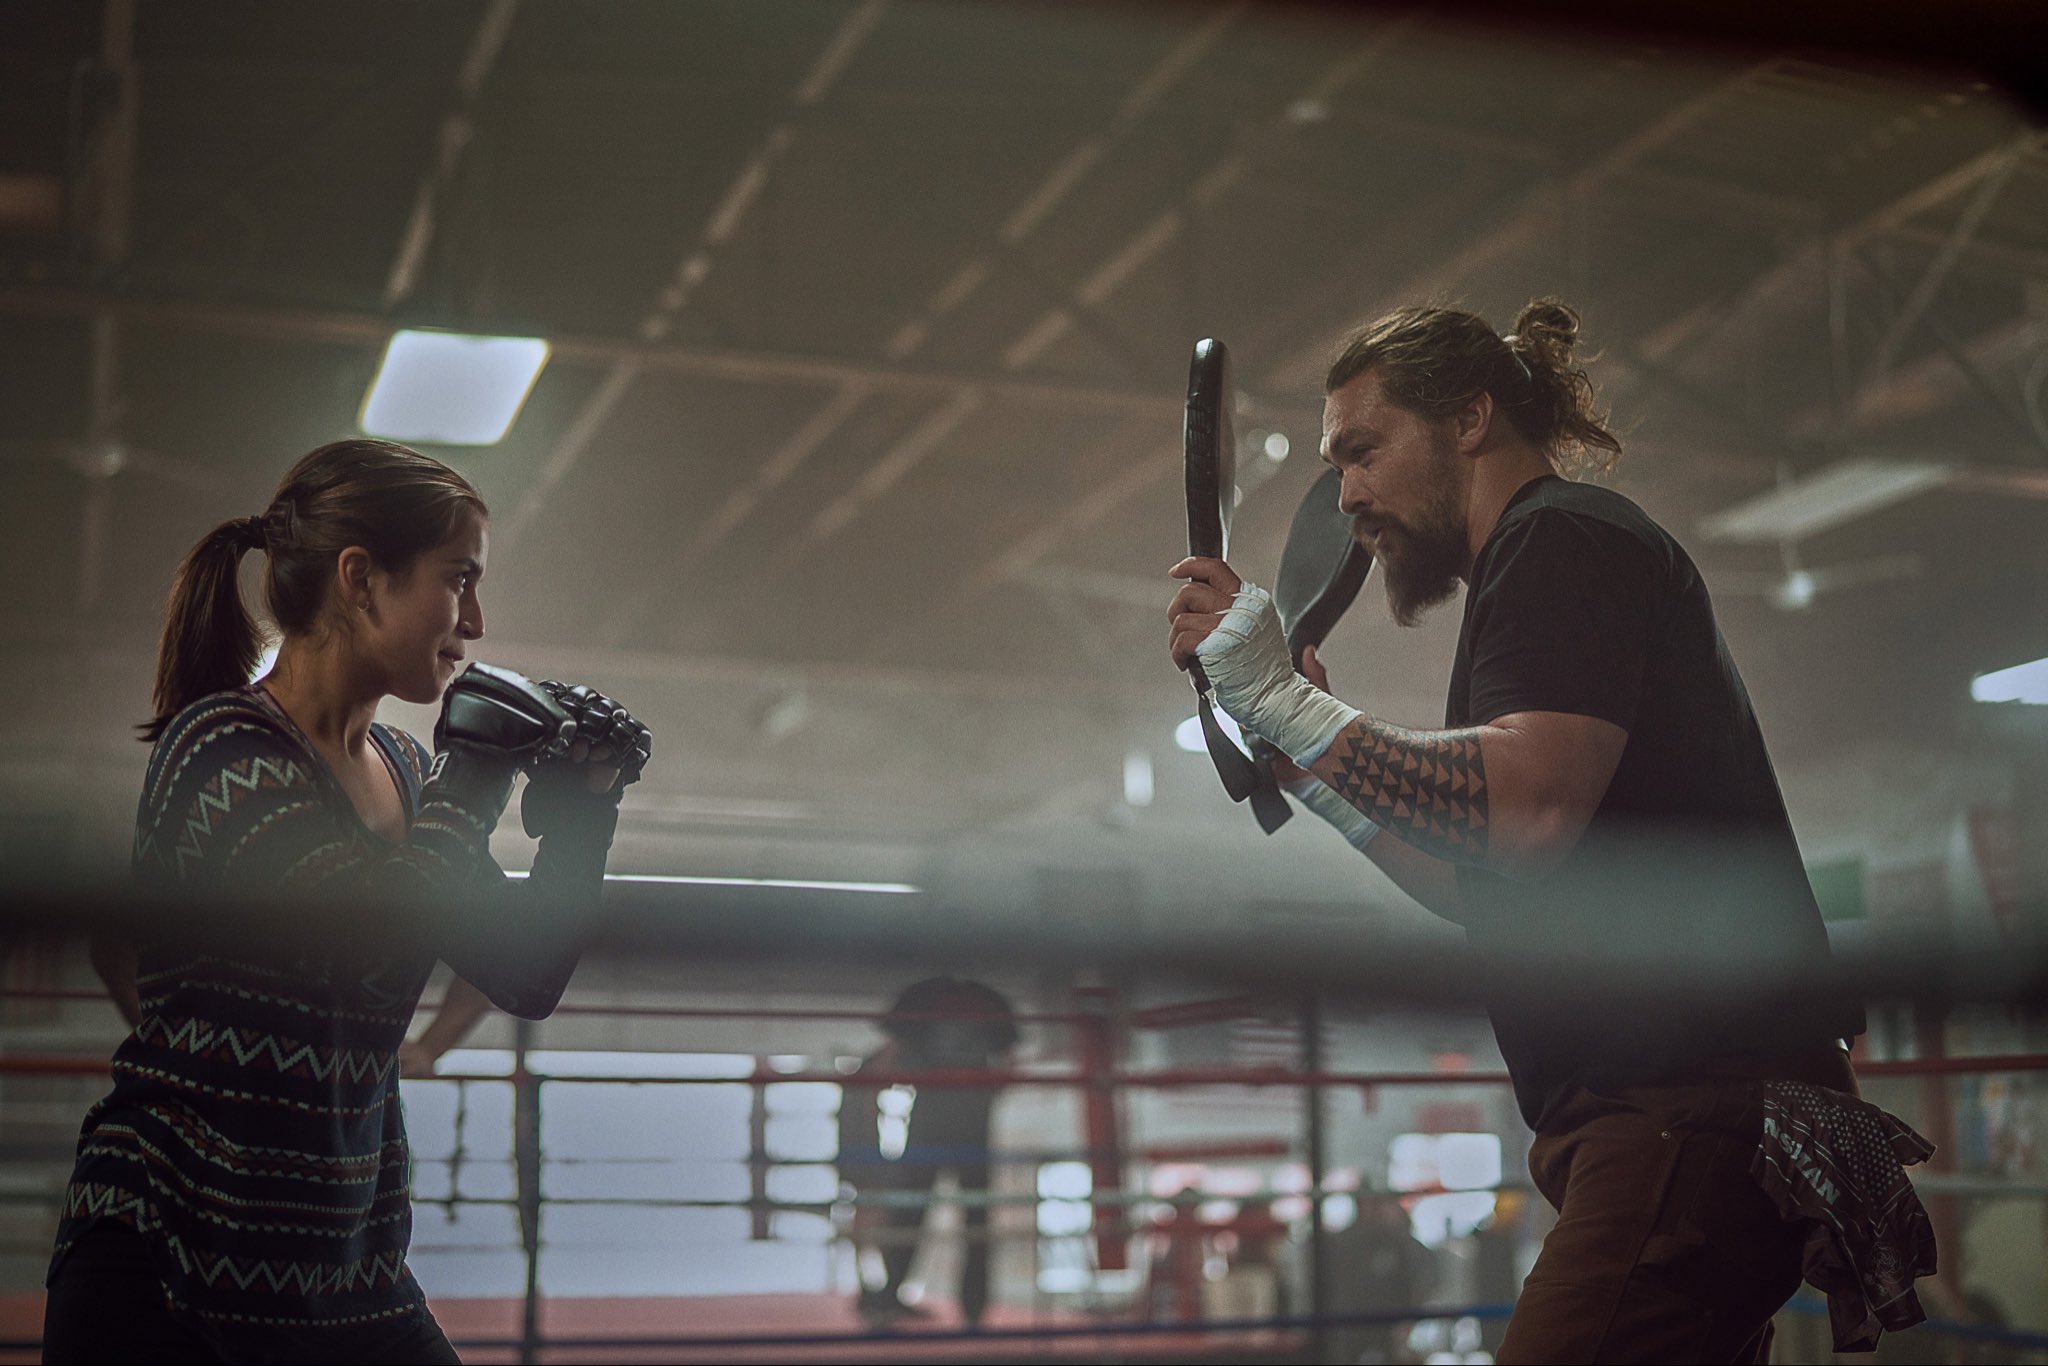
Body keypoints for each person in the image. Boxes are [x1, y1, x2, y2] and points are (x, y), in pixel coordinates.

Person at [1166, 301, 1933, 1362]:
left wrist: (1285, 701)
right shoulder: (1530, 571)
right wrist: (1305, 765)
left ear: (1470, 414)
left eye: (1360, 451)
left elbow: (1521, 813)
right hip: (1667, 1115)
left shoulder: (1557, 538)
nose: (1344, 493)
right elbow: (1475, 872)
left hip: (1684, 1109)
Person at [43, 438, 650, 1365]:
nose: (476, 620)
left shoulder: (408, 774)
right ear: (362, 580)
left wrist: (584, 819)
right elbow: (356, 952)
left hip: (342, 1269)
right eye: (458, 580)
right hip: (171, 1258)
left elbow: (526, 975)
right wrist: (474, 782)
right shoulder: (224, 750)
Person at [838, 977, 1017, 1330]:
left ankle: (892, 1301)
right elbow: (1009, 1065)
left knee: (913, 1213)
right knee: (969, 1218)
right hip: (968, 1120)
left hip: (936, 1120)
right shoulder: (985, 999)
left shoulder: (929, 996)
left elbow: (888, 1059)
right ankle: (972, 1310)